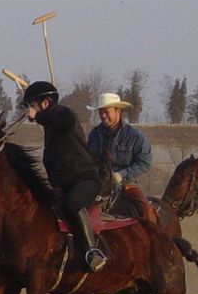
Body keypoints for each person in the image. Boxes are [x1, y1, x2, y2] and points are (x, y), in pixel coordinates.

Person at [24, 81, 106, 272]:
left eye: (33, 105)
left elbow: (64, 121)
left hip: (85, 180)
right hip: (63, 185)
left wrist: (39, 116)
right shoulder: (51, 124)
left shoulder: (63, 114)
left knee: (72, 203)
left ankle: (92, 252)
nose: (31, 111)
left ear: (45, 103)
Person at [86, 93, 156, 223]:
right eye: (101, 112)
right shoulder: (94, 135)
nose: (103, 116)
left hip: (126, 185)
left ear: (118, 111)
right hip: (98, 186)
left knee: (146, 211)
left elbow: (144, 162)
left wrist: (121, 175)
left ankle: (155, 240)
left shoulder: (135, 136)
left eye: (106, 112)